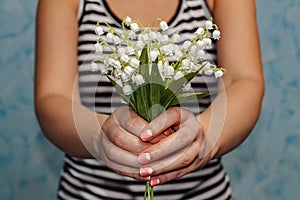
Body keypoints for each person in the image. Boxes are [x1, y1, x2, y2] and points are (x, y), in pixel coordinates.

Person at [35, 0, 264, 199]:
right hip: (89, 193)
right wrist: (100, 137)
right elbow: (52, 98)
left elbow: (244, 81)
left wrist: (201, 139)